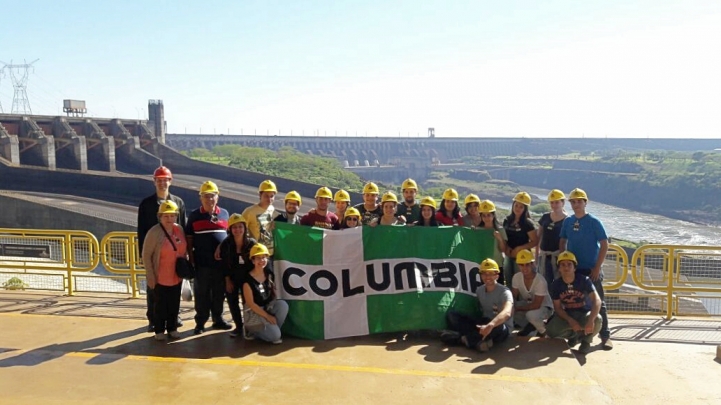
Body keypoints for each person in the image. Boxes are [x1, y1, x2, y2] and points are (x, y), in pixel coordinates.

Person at [559, 188, 613, 350]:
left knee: (598, 303)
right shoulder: (568, 222)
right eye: (573, 202)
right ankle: (579, 336)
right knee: (576, 303)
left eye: (579, 201)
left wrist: (597, 267)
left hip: (591, 270)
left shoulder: (593, 222)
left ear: (585, 202)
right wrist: (563, 263)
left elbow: (604, 244)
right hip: (573, 271)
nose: (576, 204)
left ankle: (605, 336)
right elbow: (562, 241)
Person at [137, 166, 187, 332]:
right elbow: (141, 231)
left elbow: (183, 229)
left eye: (165, 180)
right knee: (154, 287)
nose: (162, 183)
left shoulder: (178, 203)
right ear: (154, 182)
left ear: (170, 181)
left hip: (174, 255)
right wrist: (142, 257)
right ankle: (153, 319)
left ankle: (174, 317)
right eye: (159, 180)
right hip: (154, 254)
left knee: (174, 287)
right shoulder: (146, 204)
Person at [186, 180, 232, 334]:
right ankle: (200, 322)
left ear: (217, 197)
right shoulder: (194, 215)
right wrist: (191, 259)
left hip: (220, 264)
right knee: (202, 294)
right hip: (202, 263)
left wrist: (222, 246)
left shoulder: (225, 214)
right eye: (206, 196)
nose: (209, 199)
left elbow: (228, 236)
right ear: (201, 198)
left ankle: (218, 319)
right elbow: (189, 239)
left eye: (212, 196)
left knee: (219, 293)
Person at [442, 259, 513, 352]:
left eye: (490, 273)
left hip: (500, 327)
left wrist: (491, 325)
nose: (487, 277)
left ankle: (462, 339)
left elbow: (507, 313)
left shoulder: (505, 292)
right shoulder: (479, 290)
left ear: (497, 275)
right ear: (481, 275)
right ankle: (480, 341)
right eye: (484, 273)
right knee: (452, 316)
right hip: (484, 322)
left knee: (499, 328)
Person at [142, 201, 187, 341]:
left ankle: (172, 328)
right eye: (166, 216)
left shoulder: (179, 229)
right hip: (160, 276)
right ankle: (159, 330)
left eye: (172, 216)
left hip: (176, 275)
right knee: (160, 305)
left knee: (174, 304)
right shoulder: (154, 232)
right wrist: (150, 276)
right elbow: (146, 255)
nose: (169, 219)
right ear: (160, 217)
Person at [545, 251, 602, 354]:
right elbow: (558, 308)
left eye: (569, 264)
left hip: (584, 314)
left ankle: (586, 341)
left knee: (597, 319)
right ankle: (573, 336)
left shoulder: (584, 280)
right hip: (568, 315)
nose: (566, 267)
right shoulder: (555, 285)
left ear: (574, 268)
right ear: (559, 268)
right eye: (563, 265)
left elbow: (597, 301)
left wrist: (591, 320)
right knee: (551, 330)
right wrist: (570, 320)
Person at [219, 213, 257, 338]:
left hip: (248, 279)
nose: (238, 230)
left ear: (245, 228)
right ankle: (238, 326)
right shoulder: (226, 244)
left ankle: (250, 326)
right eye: (234, 227)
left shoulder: (252, 244)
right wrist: (227, 280)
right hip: (232, 278)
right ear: (230, 229)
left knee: (248, 303)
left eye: (240, 226)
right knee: (232, 301)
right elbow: (224, 264)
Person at [242, 243, 289, 344]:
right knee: (276, 337)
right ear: (253, 260)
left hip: (266, 307)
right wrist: (268, 317)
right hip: (254, 312)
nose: (261, 261)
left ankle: (272, 330)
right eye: (258, 258)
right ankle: (252, 331)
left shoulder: (269, 274)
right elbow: (251, 304)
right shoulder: (247, 281)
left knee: (282, 305)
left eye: (263, 257)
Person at [511, 249, 553, 337]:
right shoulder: (516, 277)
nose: (524, 268)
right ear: (518, 265)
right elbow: (512, 297)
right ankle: (532, 327)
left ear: (532, 264)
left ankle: (544, 332)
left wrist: (517, 308)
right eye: (521, 265)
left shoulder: (540, 280)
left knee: (530, 315)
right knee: (509, 311)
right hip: (528, 304)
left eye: (527, 264)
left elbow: (536, 305)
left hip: (544, 307)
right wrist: (511, 308)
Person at [502, 191, 539, 286]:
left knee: (520, 282)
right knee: (509, 280)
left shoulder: (527, 224)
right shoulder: (507, 220)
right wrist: (507, 248)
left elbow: (535, 241)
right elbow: (504, 237)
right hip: (508, 255)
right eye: (516, 205)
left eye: (521, 207)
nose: (518, 208)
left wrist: (519, 248)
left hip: (522, 258)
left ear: (525, 209)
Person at [538, 189, 568, 286]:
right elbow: (538, 237)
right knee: (544, 284)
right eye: (552, 203)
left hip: (559, 256)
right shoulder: (545, 217)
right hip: (544, 256)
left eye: (557, 202)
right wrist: (536, 256)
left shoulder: (568, 220)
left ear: (562, 203)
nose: (554, 205)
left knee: (560, 283)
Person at [242, 180, 277, 257]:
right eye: (266, 196)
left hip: (270, 253)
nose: (269, 199)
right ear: (260, 195)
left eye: (272, 196)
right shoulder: (249, 211)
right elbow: (240, 230)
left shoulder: (272, 209)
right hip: (257, 253)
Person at [477, 200, 508, 266]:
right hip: (482, 264)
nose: (486, 218)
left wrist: (500, 239)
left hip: (497, 265)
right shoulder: (478, 230)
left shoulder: (500, 230)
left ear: (493, 215)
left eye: (489, 215)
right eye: (484, 216)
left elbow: (503, 249)